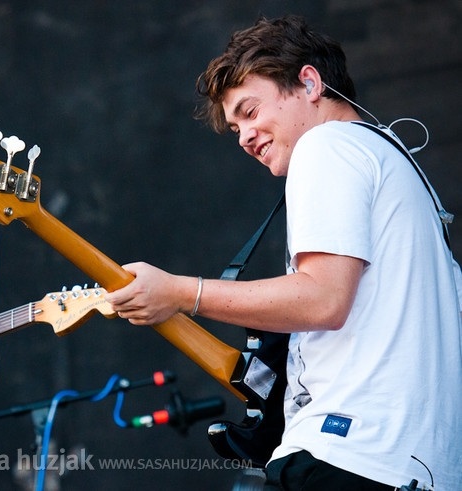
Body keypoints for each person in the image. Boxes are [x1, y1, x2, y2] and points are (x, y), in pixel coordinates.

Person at [106, 15, 462, 490]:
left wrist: (177, 292)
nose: (244, 138)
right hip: (418, 466)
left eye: (250, 112)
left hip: (348, 455)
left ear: (309, 83)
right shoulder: (393, 160)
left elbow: (323, 300)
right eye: (234, 129)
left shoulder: (327, 145)